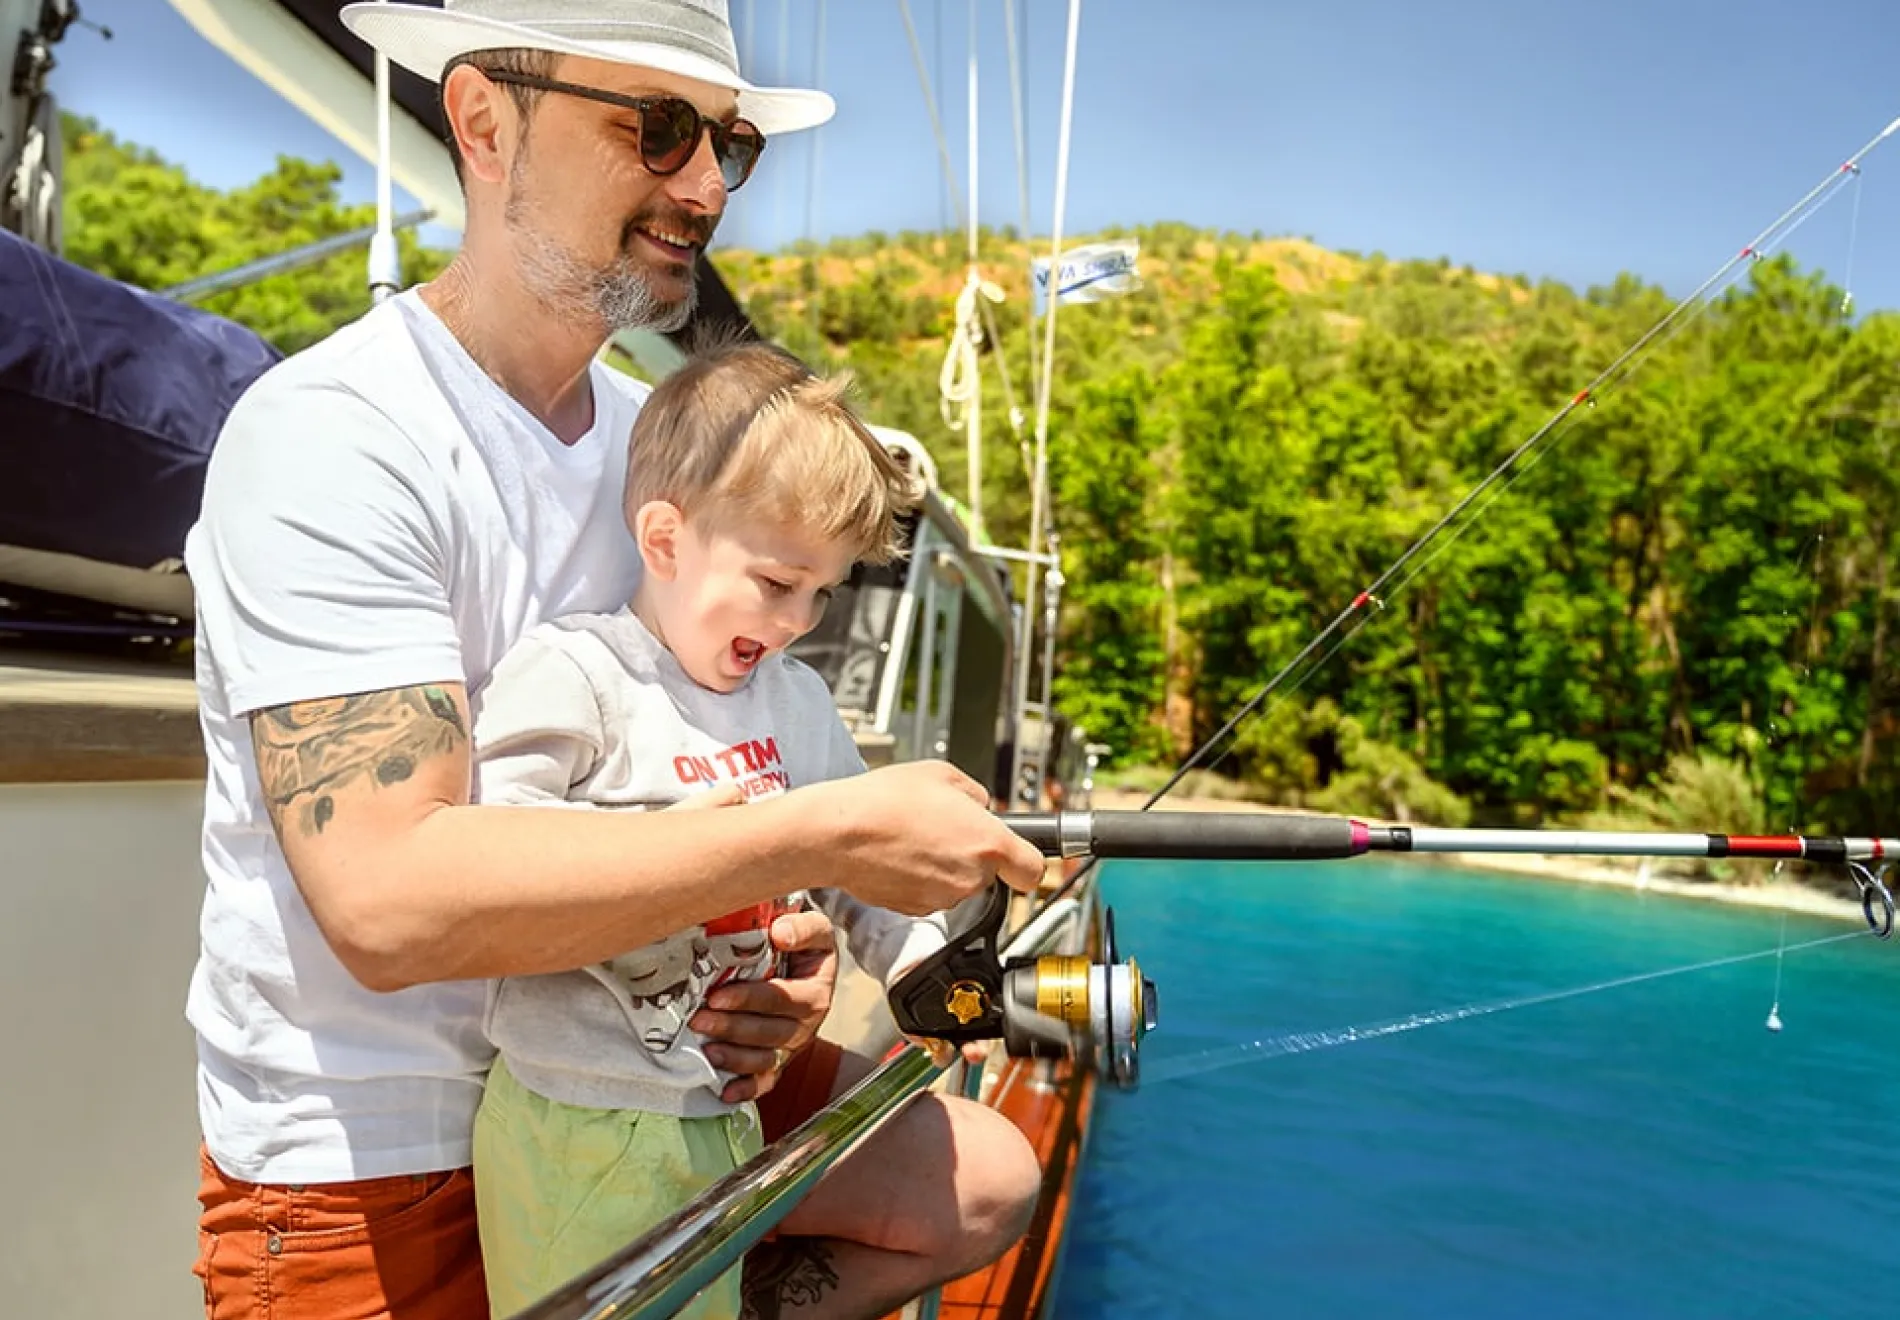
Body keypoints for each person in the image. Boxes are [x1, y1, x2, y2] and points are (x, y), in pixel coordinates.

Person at [183, 3, 1045, 1318]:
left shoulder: (685, 457)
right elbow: (389, 902)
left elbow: (712, 767)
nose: (704, 185)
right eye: (658, 128)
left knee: (979, 1181)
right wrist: (799, 838)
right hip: (377, 1160)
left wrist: (783, 954)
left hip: (656, 1077)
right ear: (482, 120)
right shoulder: (335, 439)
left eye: (728, 144)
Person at [469, 339, 958, 1316]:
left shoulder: (797, 703)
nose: (796, 621)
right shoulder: (578, 674)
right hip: (576, 1119)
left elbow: (859, 857)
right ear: (663, 541)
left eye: (822, 594)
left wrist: (922, 963)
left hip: (721, 1118)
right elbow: (499, 854)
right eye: (778, 584)